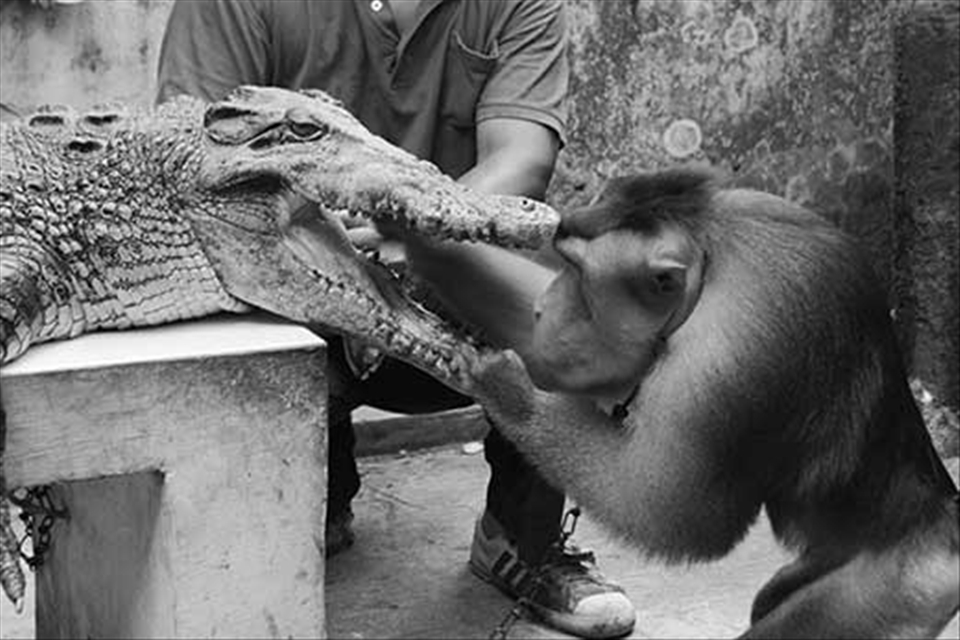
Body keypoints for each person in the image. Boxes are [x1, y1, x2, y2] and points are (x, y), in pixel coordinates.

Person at [155, 1, 636, 637]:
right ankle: (313, 501)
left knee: (564, 306)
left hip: (447, 267)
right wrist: (332, 251)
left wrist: (408, 235)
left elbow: (523, 157)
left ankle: (524, 541)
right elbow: (195, 157)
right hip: (288, 271)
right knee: (233, 321)